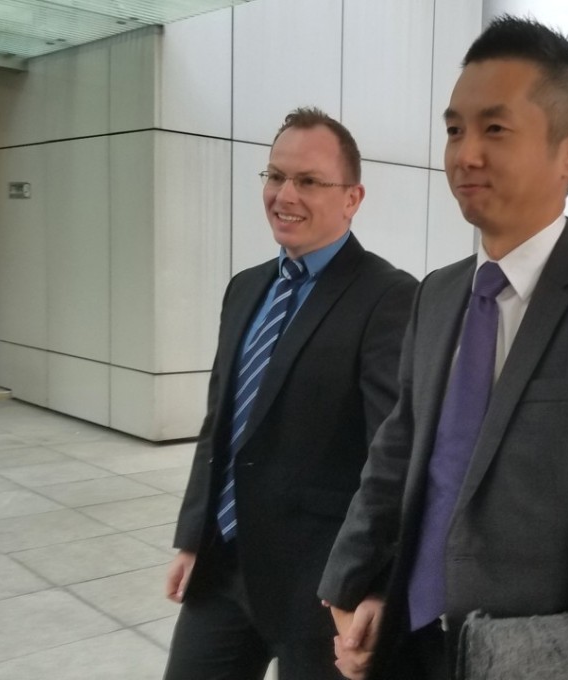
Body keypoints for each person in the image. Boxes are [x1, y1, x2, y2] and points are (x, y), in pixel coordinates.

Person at [318, 15, 568, 680]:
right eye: (454, 128)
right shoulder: (438, 296)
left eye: (494, 129)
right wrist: (351, 579)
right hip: (409, 646)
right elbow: (399, 451)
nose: (464, 153)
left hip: (533, 660)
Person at [162, 107, 417, 680]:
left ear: (353, 198)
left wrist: (374, 586)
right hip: (225, 570)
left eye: (308, 181)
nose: (285, 194)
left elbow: (392, 455)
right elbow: (219, 425)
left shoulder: (389, 298)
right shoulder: (245, 288)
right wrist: (193, 536)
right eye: (275, 176)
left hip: (321, 587)